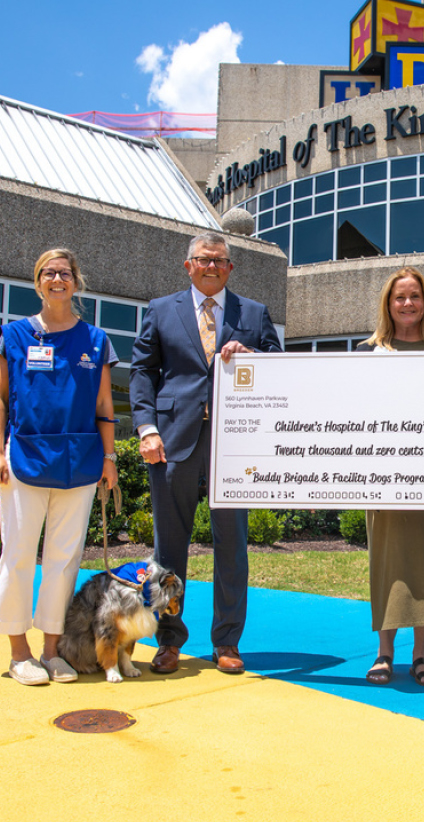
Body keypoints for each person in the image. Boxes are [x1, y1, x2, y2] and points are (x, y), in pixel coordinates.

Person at [129, 233, 282, 675]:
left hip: (235, 446)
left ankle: (227, 642)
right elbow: (143, 372)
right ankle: (169, 641)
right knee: (168, 551)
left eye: (220, 261)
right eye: (203, 259)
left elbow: (279, 369)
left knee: (231, 547)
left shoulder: (253, 313)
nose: (211, 266)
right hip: (171, 441)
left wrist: (251, 355)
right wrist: (146, 428)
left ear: (231, 268)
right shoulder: (160, 310)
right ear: (188, 265)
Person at [0, 249, 118, 686]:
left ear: (76, 282)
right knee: (17, 557)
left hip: (80, 462)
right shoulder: (12, 335)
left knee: (64, 559)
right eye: (48, 273)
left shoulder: (95, 339)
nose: (57, 279)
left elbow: (105, 404)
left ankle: (52, 650)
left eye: (64, 273)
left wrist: (109, 458)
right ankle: (18, 652)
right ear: (37, 282)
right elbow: (1, 398)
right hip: (24, 460)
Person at [355, 267, 424, 687]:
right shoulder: (368, 351)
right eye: (399, 297)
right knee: (389, 563)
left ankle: (421, 656)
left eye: (414, 296)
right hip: (384, 472)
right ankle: (385, 654)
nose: (407, 304)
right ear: (388, 303)